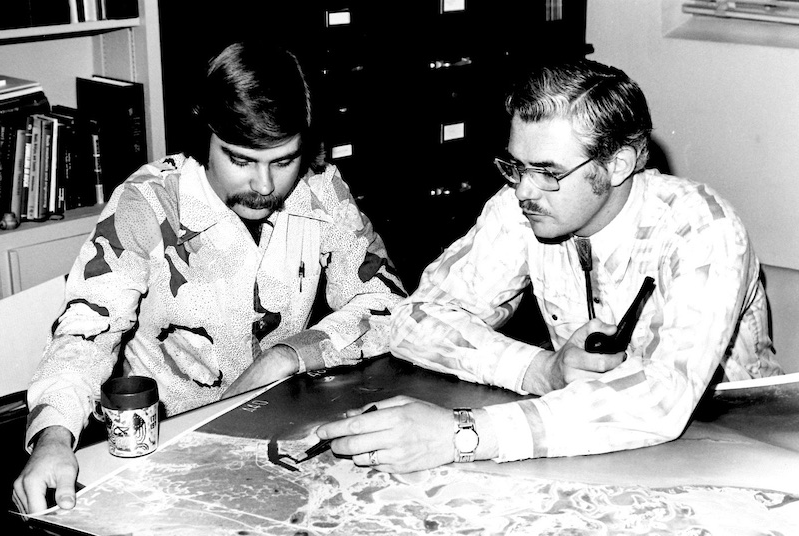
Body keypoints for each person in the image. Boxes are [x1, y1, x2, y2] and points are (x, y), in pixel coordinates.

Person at [314, 59, 783, 473]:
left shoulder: (703, 228)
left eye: (548, 172)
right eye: (515, 167)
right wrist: (539, 370)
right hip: (582, 443)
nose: (523, 191)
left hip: (728, 443)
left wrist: (462, 435)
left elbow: (661, 398)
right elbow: (414, 319)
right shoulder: (522, 207)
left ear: (617, 165)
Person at [13, 40, 406, 513]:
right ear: (205, 135)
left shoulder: (322, 189)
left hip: (280, 443)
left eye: (283, 161)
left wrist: (287, 356)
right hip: (164, 457)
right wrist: (53, 437)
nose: (264, 187)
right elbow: (85, 331)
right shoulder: (148, 202)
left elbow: (386, 304)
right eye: (241, 160)